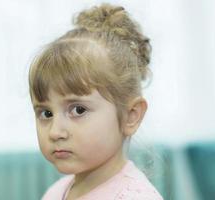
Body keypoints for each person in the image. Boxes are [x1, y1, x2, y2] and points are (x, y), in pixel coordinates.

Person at [28, 3, 163, 200]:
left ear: (131, 115)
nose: (55, 132)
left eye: (78, 110)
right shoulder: (56, 192)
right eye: (46, 113)